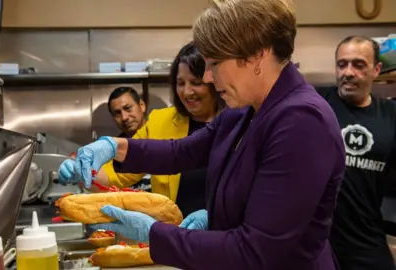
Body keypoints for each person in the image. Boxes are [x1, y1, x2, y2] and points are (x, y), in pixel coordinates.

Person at [58, 0, 346, 269]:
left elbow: (256, 250)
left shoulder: (302, 122)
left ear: (258, 53)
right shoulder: (243, 112)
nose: (208, 77)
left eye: (215, 63)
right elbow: (180, 152)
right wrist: (114, 147)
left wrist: (156, 235)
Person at [59, 42, 224, 217]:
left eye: (196, 82)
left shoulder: (237, 120)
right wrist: (82, 170)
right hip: (176, 234)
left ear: (214, 81)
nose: (186, 92)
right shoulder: (160, 121)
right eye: (180, 83)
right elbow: (116, 174)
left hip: (228, 234)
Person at [318, 36, 396, 270]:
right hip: (318, 245)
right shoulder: (316, 104)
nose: (348, 72)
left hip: (366, 242)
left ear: (376, 69)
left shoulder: (391, 115)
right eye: (342, 64)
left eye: (358, 65)